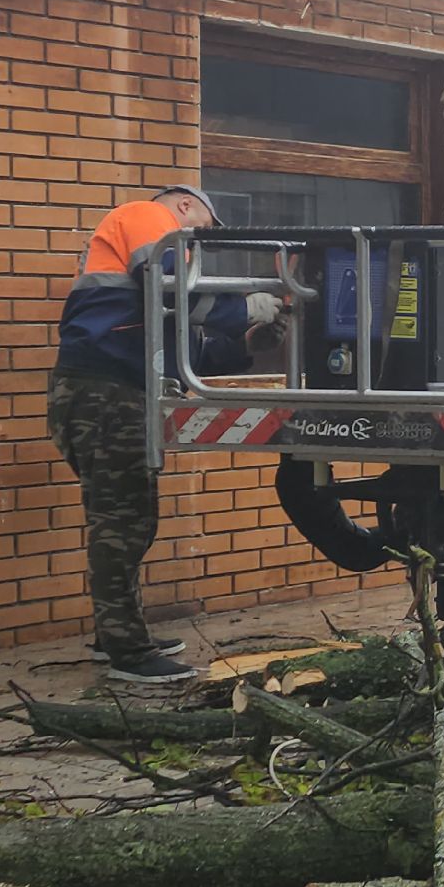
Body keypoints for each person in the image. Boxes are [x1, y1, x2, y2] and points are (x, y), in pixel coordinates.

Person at [48, 185, 284, 684]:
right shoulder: (147, 217)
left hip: (107, 390)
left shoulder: (154, 276)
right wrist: (247, 308)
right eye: (205, 226)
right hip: (105, 391)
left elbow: (186, 352)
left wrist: (247, 341)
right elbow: (172, 289)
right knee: (124, 520)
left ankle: (116, 634)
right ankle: (127, 652)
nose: (202, 238)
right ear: (184, 204)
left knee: (126, 516)